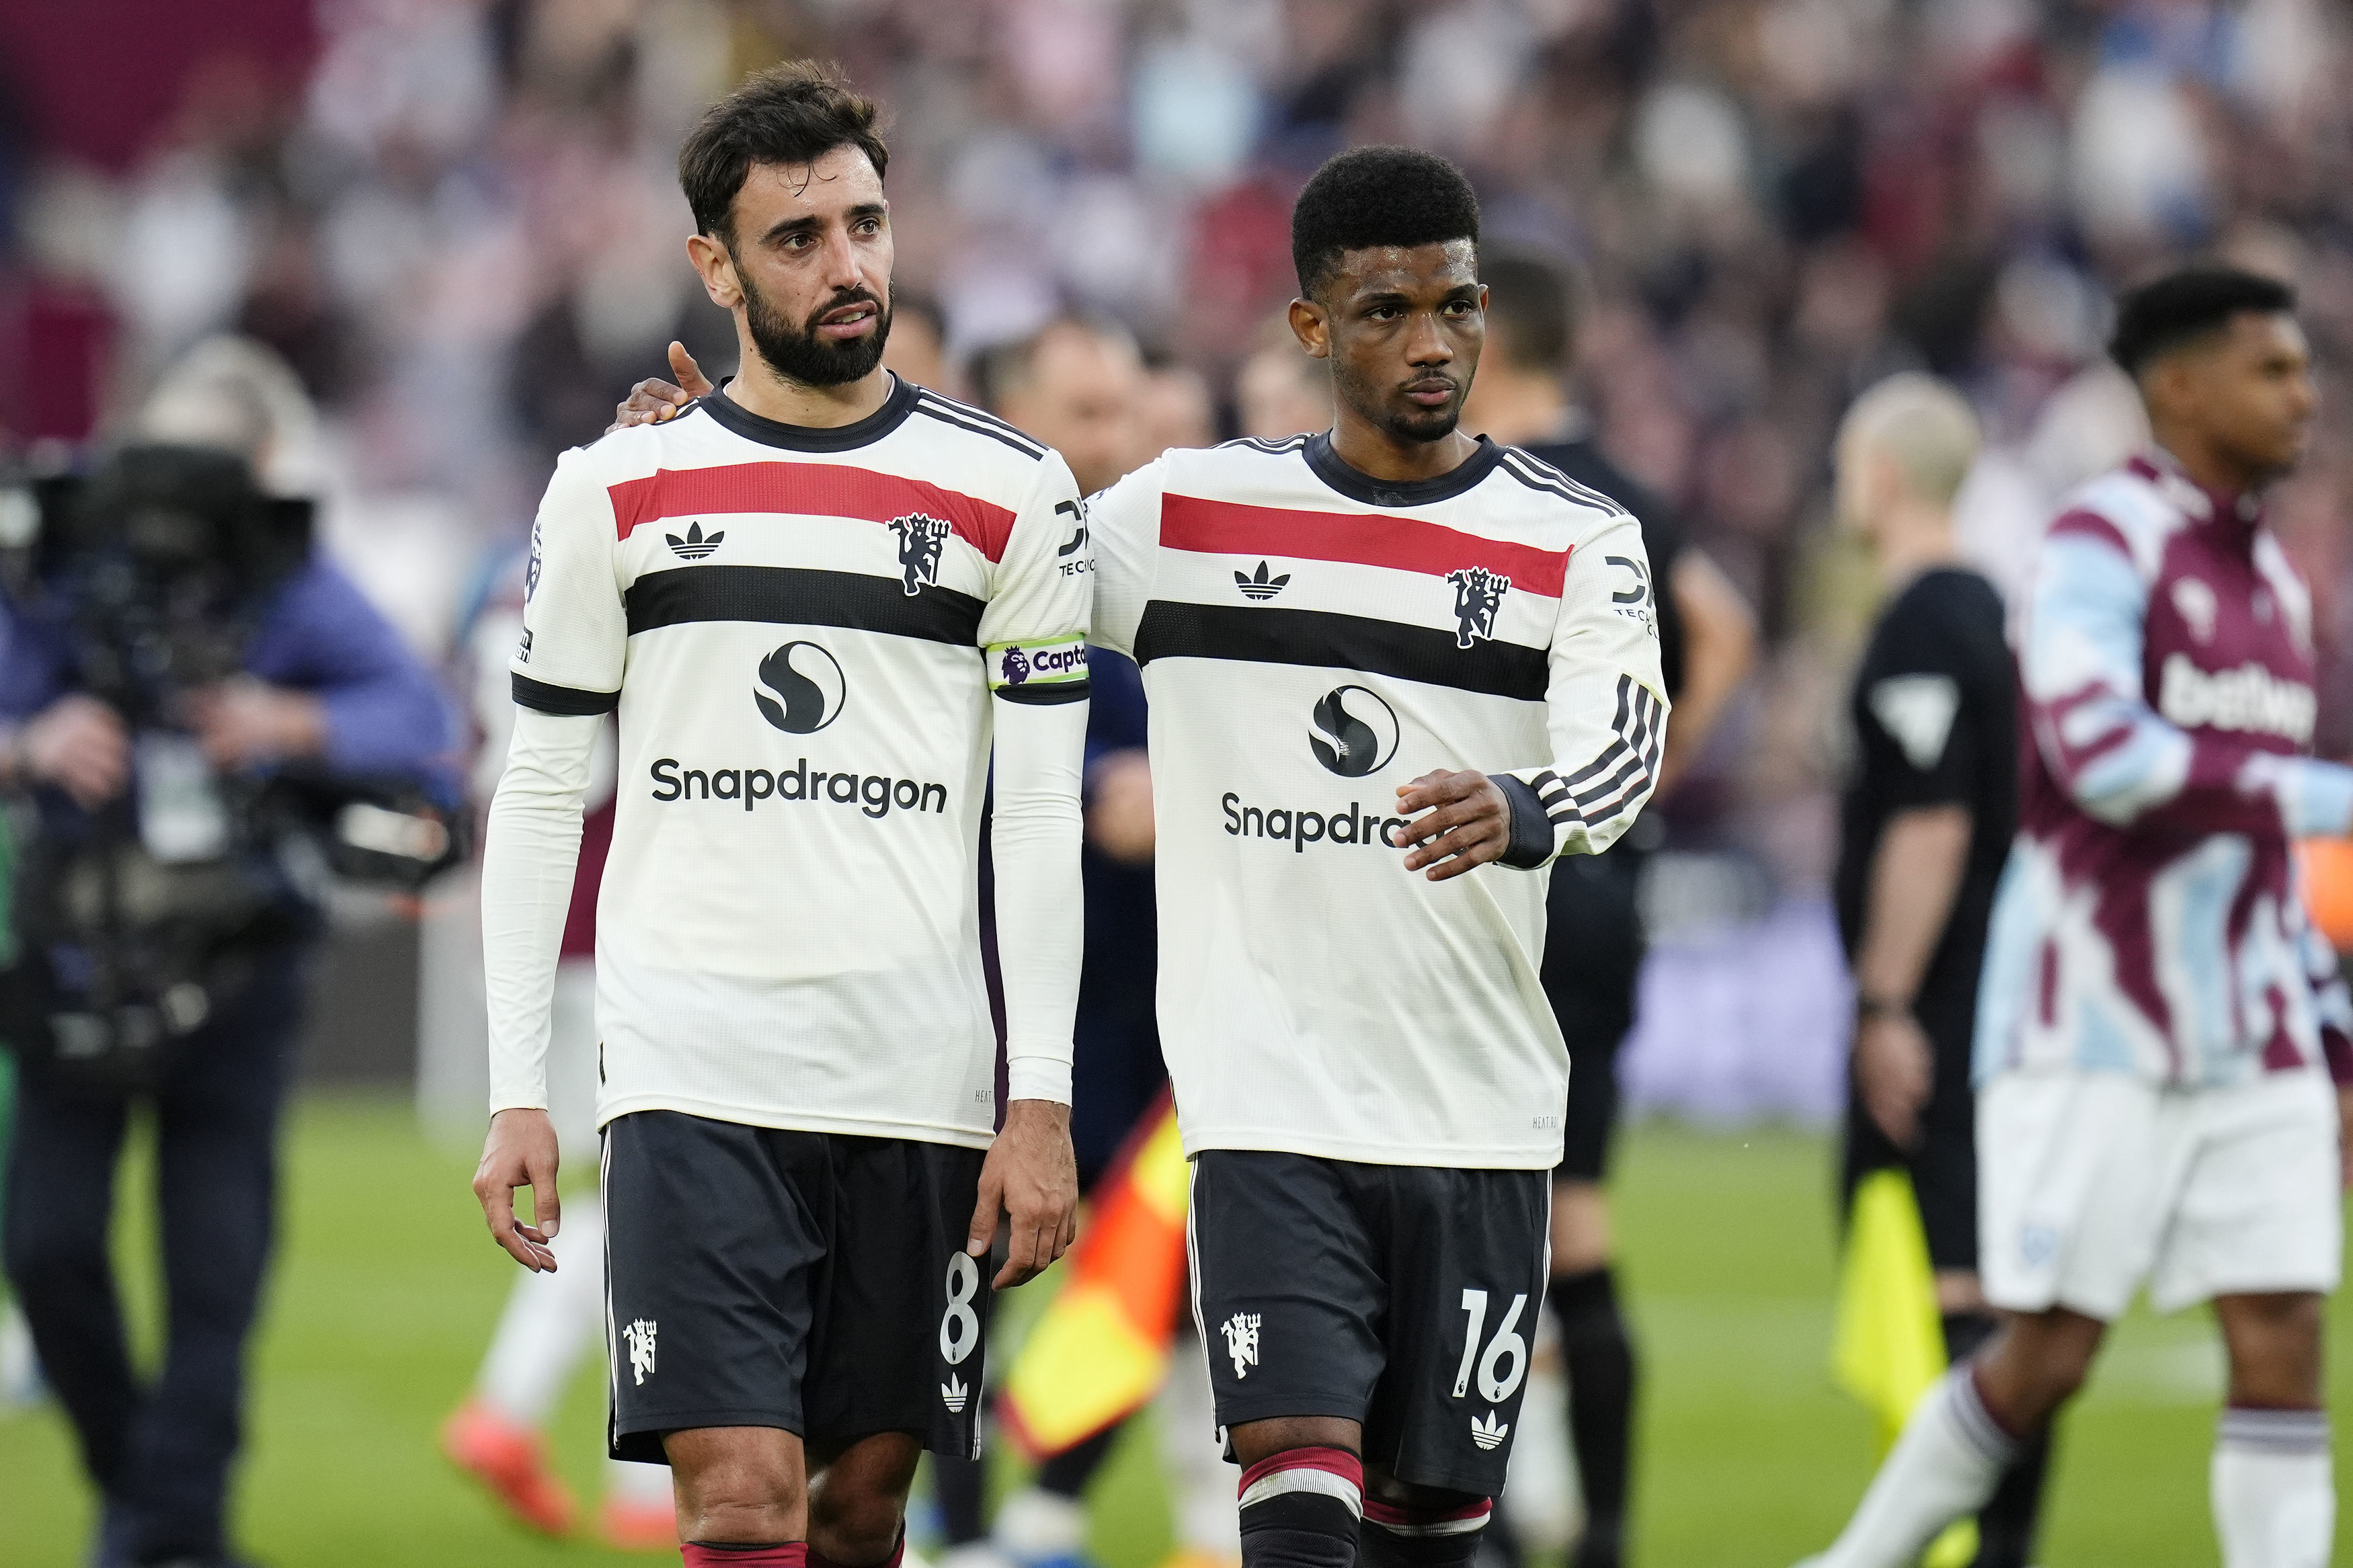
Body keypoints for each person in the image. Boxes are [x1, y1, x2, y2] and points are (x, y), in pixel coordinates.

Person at [469, 63, 1088, 1568]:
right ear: (715, 265)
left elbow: (1042, 816)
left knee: (859, 1510)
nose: (849, 264)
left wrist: (1041, 1099)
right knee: (740, 1504)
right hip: (691, 1072)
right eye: (800, 238)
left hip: (920, 1081)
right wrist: (516, 1086)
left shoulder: (1008, 495)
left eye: (866, 225)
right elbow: (544, 785)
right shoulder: (613, 490)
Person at [1084, 145, 1667, 1568]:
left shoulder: (1571, 541)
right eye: (1387, 311)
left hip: (1476, 1119)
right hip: (1269, 1107)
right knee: (1293, 1479)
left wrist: (1528, 807)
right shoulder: (1184, 518)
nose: (1432, 343)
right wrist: (727, 441)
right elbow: (971, 577)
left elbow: (1628, 751)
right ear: (1309, 329)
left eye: (1456, 307)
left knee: (1428, 1534)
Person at [1798, 267, 2352, 1568]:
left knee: (2282, 1337)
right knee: (2044, 1352)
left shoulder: (2273, 581)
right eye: (2270, 370)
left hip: (2249, 1032)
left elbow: (2260, 840)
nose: (2303, 395)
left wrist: (2328, 1037)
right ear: (2177, 385)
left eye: (2304, 369)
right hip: (2090, 1026)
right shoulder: (2092, 545)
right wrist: (2334, 795)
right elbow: (2106, 757)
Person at [0, 437, 452, 1568]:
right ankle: (144, 1498)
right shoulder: (53, 557)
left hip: (239, 963)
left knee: (215, 1264)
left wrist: (283, 720)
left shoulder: (285, 570)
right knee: (48, 1246)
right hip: (73, 959)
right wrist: (29, 742)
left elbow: (423, 718)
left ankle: (175, 1533)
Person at [1458, 250, 1755, 1568]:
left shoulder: (1494, 492)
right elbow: (1723, 622)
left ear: (1491, 346)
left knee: (1465, 1213)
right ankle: (1606, 1535)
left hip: (1493, 890)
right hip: (1604, 891)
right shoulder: (1627, 496)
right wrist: (1643, 773)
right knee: (1578, 1210)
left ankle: (1497, 1521)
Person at [1827, 374, 2046, 1568]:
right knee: (1988, 1282)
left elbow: (1931, 824)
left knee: (1961, 1287)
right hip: (1997, 991)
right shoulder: (1993, 613)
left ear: (1886, 476)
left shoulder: (1924, 620)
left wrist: (1886, 1002)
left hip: (1947, 1000)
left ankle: (1983, 1550)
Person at [438, 544, 675, 1550]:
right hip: (615, 909)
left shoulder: (495, 571)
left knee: (633, 1192)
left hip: (530, 913)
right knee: (654, 1199)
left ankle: (575, 1446)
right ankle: (549, 1430)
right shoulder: (636, 557)